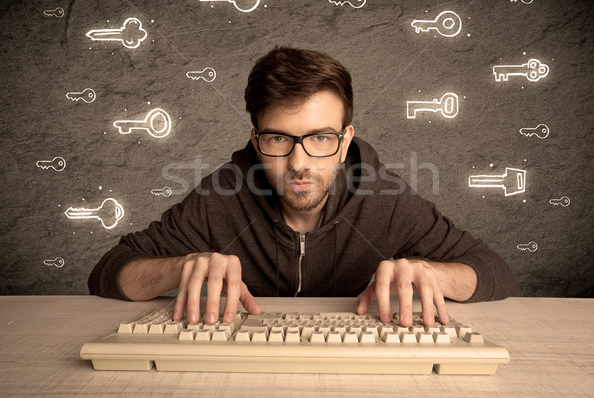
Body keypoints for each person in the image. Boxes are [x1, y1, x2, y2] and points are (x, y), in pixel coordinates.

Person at [89, 47, 517, 329]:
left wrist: (432, 274)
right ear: (257, 142)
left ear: (345, 140)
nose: (299, 163)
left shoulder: (385, 196)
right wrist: (178, 268)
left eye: (320, 138)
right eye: (278, 139)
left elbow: (494, 271)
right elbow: (108, 273)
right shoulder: (221, 194)